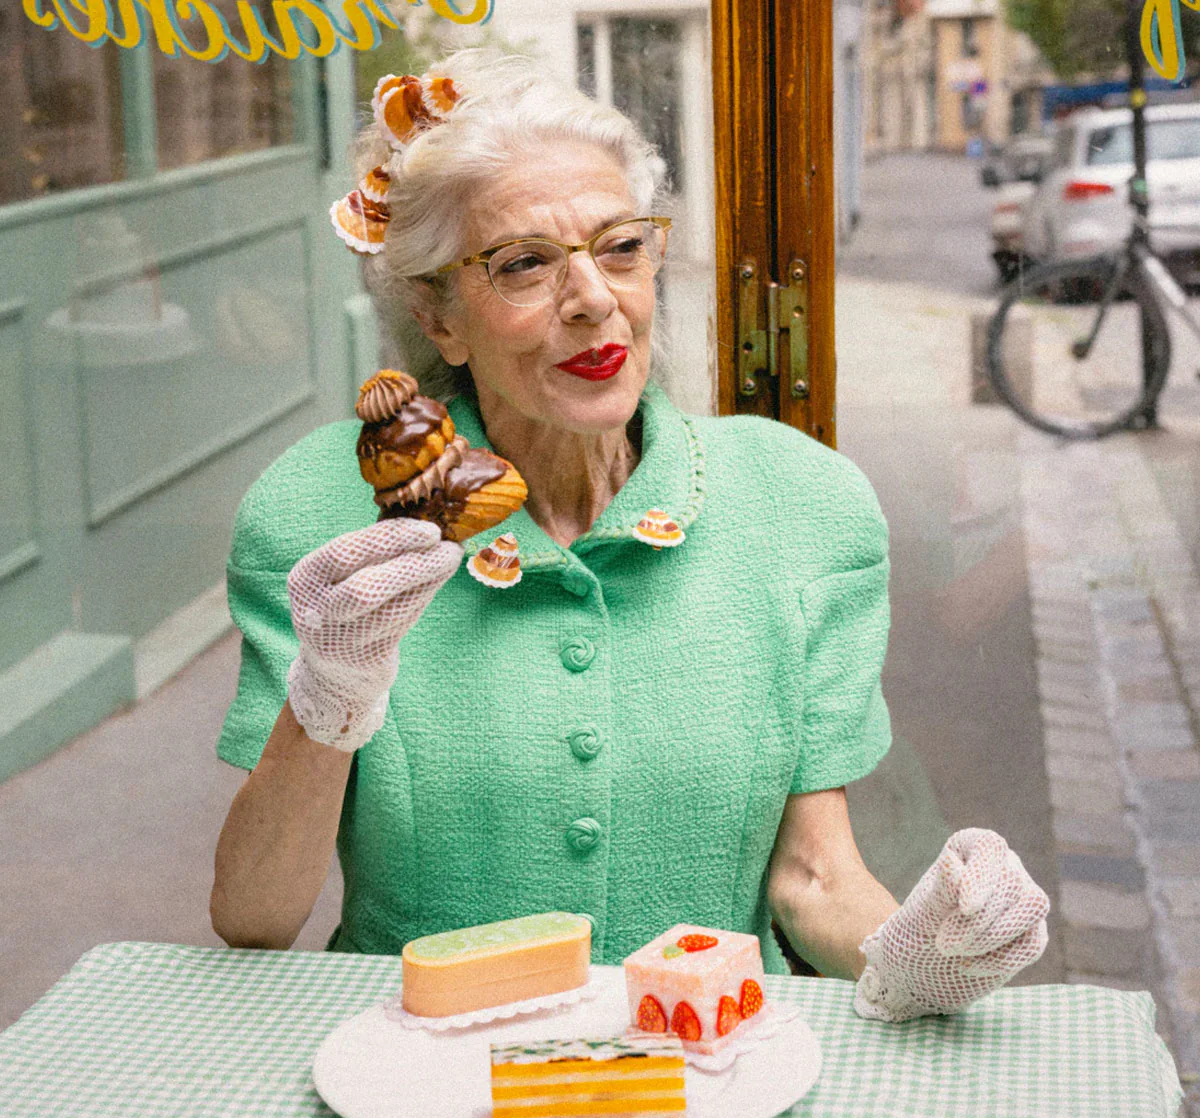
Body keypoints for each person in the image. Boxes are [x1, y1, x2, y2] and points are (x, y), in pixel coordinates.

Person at [211, 50, 1049, 1022]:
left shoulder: (802, 507)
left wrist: (919, 954)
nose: (594, 299)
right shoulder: (325, 513)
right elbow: (255, 916)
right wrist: (333, 693)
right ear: (438, 316)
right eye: (525, 263)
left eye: (620, 247)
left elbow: (814, 879)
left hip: (716, 1062)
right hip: (418, 1072)